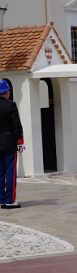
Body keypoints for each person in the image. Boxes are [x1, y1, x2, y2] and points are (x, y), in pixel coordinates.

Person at [0, 79, 25, 209]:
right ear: (6, 92)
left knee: (0, 172)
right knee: (10, 172)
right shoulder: (11, 105)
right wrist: (20, 142)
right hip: (9, 143)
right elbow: (17, 126)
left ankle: (1, 199)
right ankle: (9, 201)